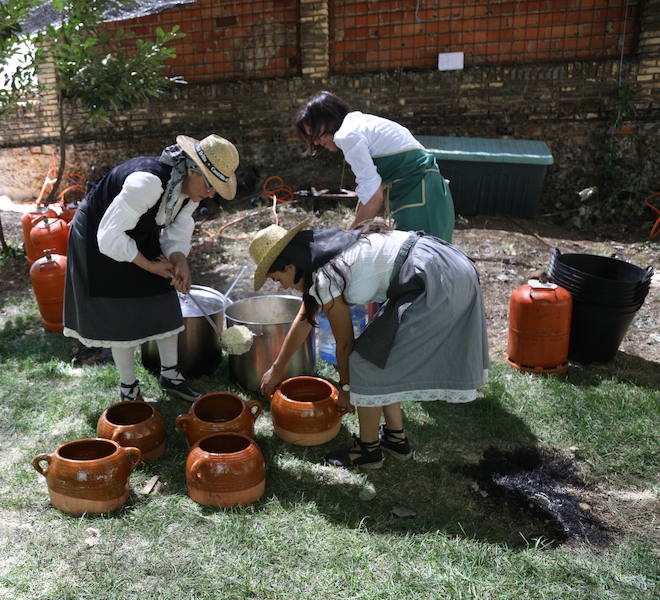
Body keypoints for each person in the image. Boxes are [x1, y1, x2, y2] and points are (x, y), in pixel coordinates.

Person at [251, 219, 488, 469]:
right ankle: (395, 439)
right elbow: (305, 317)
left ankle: (367, 451)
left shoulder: (326, 275)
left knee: (364, 364)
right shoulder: (330, 251)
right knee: (378, 356)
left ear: (291, 266)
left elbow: (344, 344)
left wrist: (346, 388)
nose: (284, 286)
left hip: (436, 279)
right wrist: (278, 367)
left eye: (278, 278)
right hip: (444, 264)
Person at [63, 134, 239, 403]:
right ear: (192, 170)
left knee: (164, 297)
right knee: (120, 312)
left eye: (216, 188)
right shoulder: (148, 183)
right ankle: (129, 389)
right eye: (210, 185)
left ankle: (170, 375)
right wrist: (148, 265)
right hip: (101, 235)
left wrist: (180, 261)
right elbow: (109, 237)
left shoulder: (191, 192)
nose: (211, 193)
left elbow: (177, 229)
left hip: (139, 230)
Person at [295, 91, 455, 242]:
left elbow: (373, 197)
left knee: (424, 257)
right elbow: (370, 189)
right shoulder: (359, 124)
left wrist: (349, 238)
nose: (316, 141)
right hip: (425, 193)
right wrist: (354, 228)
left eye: (315, 132)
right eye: (310, 137)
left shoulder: (347, 135)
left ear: (328, 118)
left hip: (420, 198)